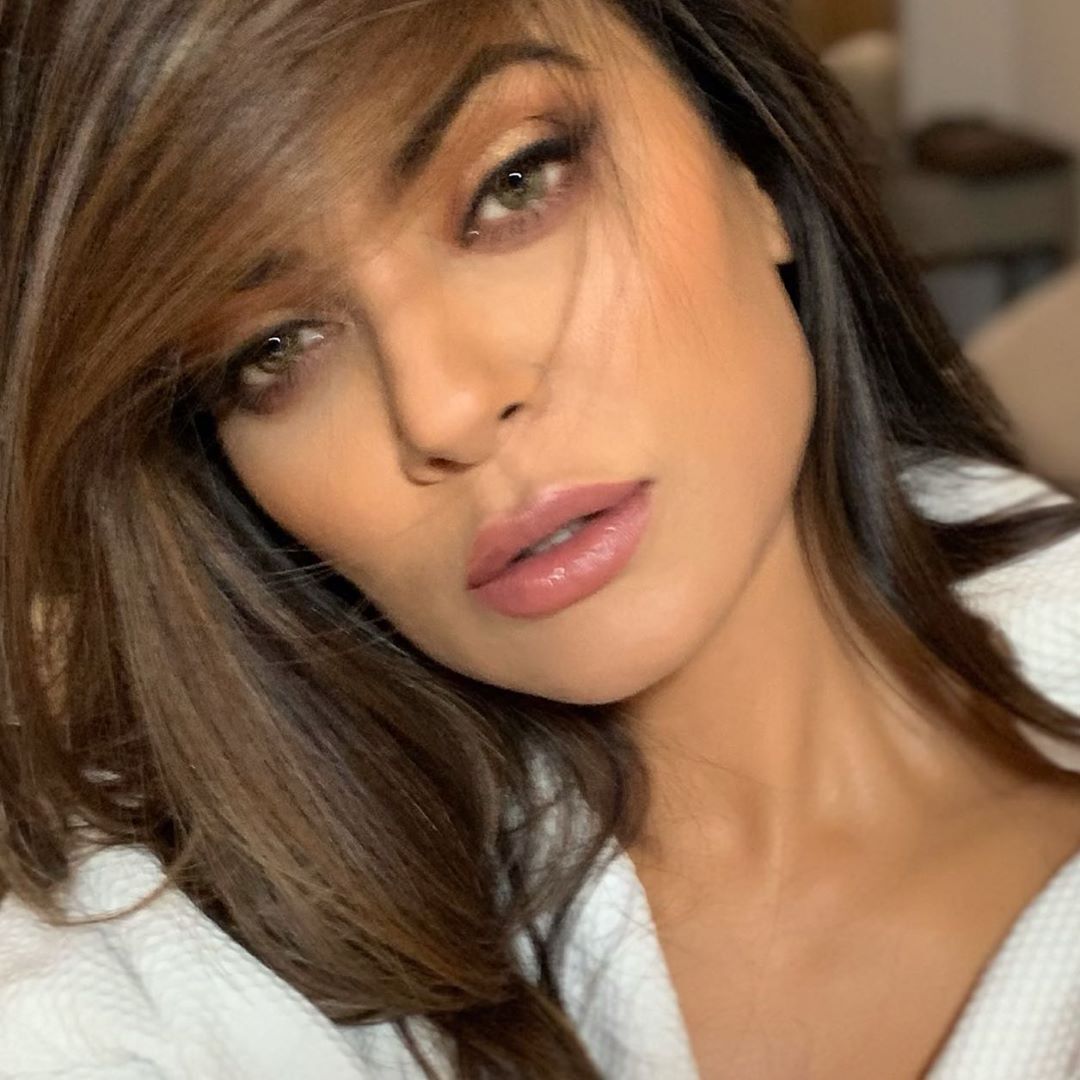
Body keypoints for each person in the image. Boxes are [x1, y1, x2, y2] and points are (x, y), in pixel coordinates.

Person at [1, 1, 1078, 1077]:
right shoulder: (160, 968)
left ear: (749, 162)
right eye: (275, 348)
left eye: (515, 183)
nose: (446, 408)